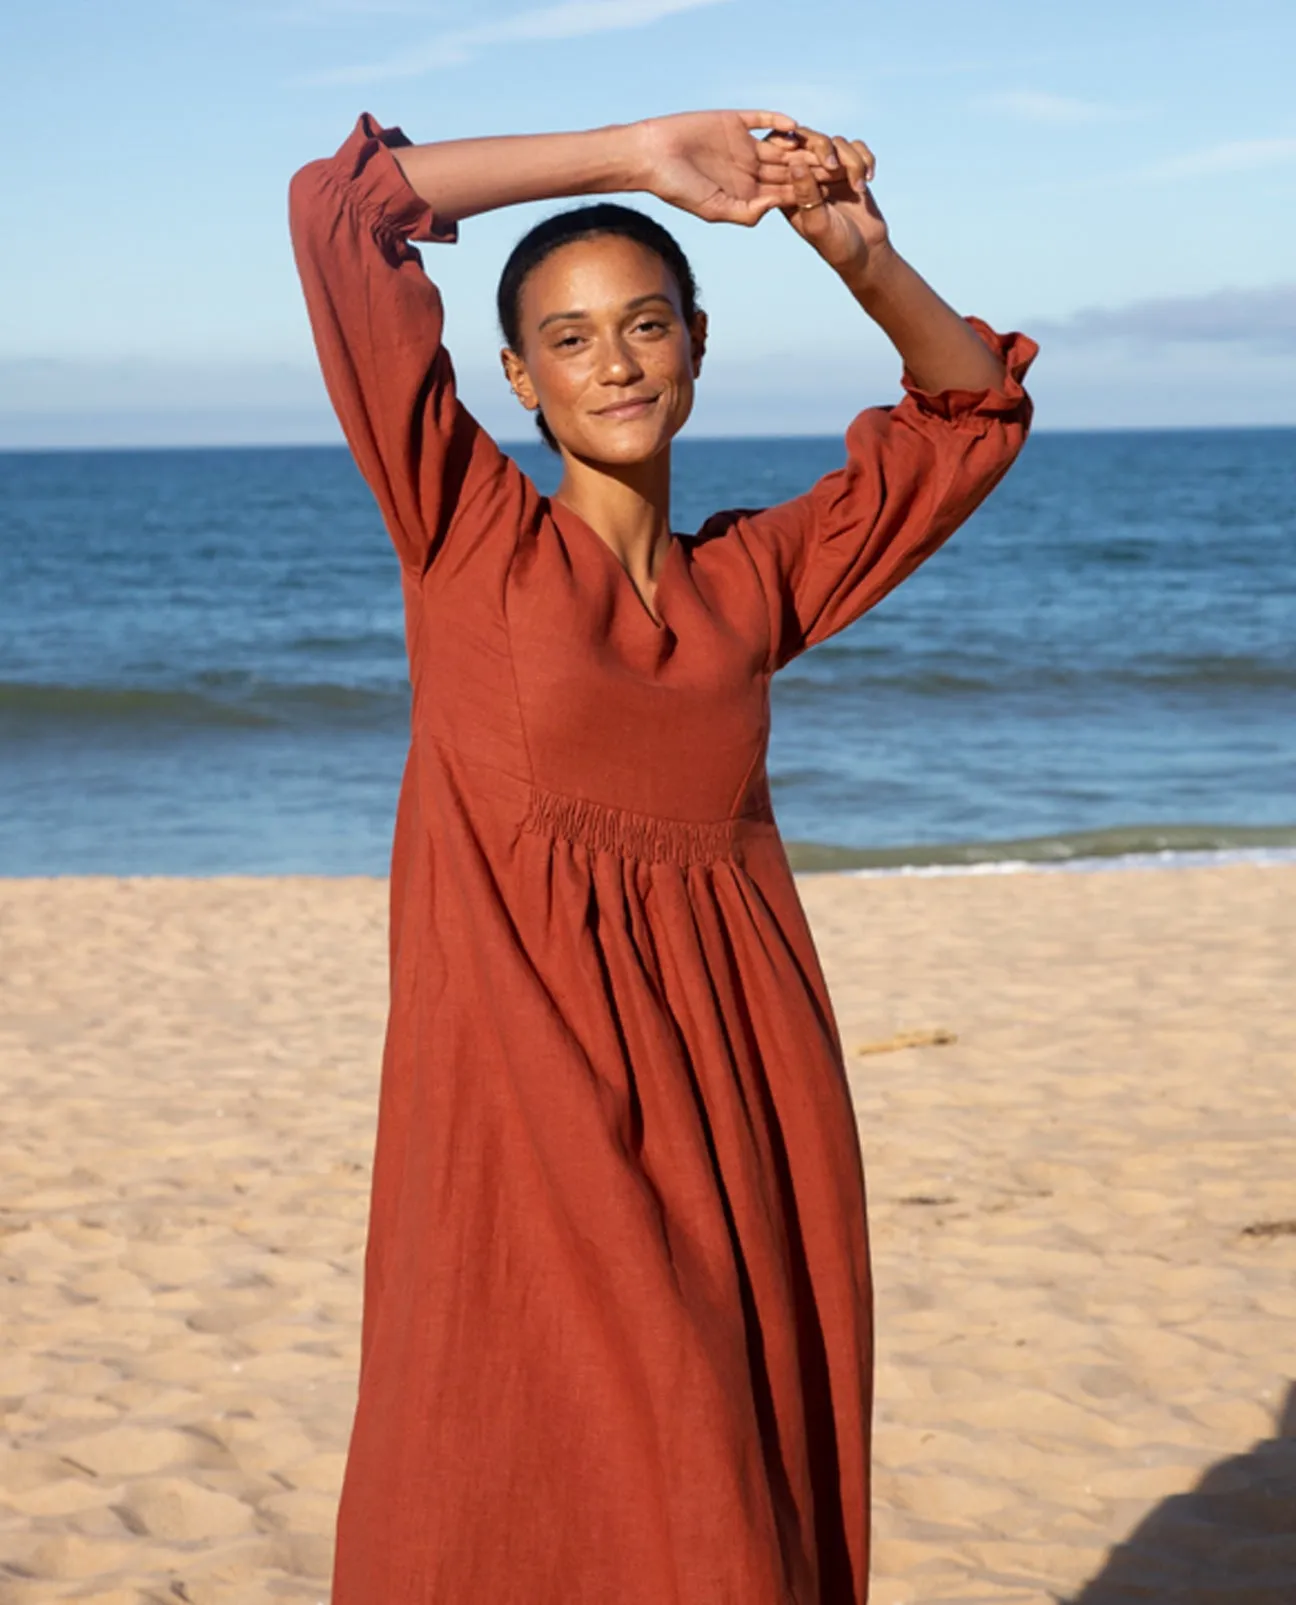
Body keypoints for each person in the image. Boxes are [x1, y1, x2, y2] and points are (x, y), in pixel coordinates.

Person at [289, 106, 1035, 1605]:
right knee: (587, 1452)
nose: (616, 362)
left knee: (733, 1468)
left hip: (748, 1086)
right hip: (535, 1088)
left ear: (696, 345)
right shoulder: (466, 542)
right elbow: (341, 210)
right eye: (568, 340)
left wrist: (858, 255)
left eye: (645, 324)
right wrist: (639, 157)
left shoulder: (748, 585)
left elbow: (967, 419)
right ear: (517, 379)